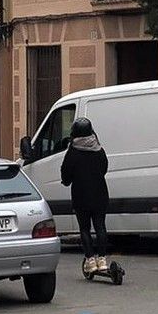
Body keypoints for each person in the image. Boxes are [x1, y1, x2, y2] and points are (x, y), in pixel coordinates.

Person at [60, 117, 111, 275]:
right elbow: (104, 168)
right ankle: (102, 259)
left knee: (84, 228)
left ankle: (90, 260)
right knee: (100, 226)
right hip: (100, 193)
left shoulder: (73, 152)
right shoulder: (99, 149)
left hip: (81, 195)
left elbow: (66, 175)